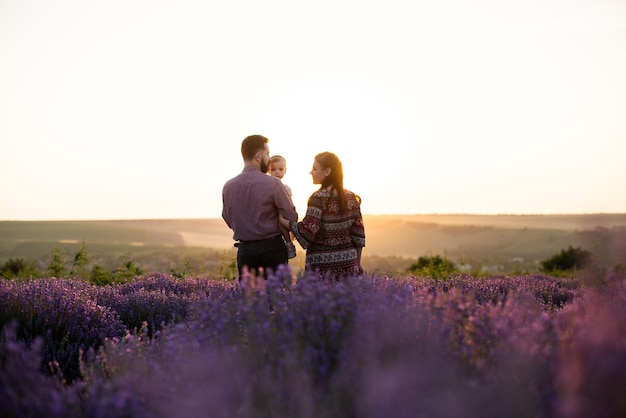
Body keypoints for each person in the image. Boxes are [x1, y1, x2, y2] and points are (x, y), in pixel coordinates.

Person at [222, 135, 298, 282]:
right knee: (276, 298)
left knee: (251, 301)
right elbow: (291, 216)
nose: (269, 158)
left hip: (245, 251)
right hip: (273, 250)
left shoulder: (228, 186)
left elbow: (227, 218)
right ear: (258, 156)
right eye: (267, 154)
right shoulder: (274, 184)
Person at [279, 151, 365, 279]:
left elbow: (307, 232)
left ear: (327, 171)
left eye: (315, 169)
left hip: (321, 269)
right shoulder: (351, 197)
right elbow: (358, 234)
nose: (311, 172)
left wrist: (284, 221)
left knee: (321, 299)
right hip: (349, 264)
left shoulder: (318, 198)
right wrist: (357, 263)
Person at [269, 155, 297, 259]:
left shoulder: (285, 187)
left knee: (282, 223)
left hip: (281, 211)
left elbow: (289, 204)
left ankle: (289, 243)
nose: (277, 172)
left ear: (285, 170)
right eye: (273, 169)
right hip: (272, 211)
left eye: (280, 169)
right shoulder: (267, 185)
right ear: (268, 171)